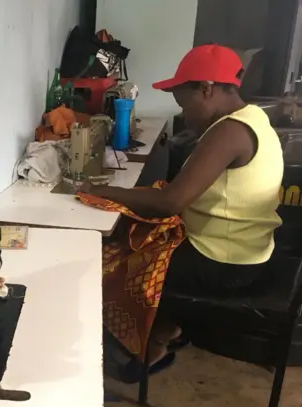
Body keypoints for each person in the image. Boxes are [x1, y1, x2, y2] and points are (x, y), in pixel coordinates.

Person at [89, 45, 284, 368]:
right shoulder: (252, 118)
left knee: (113, 258)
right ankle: (164, 330)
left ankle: (137, 349)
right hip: (246, 251)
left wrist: (101, 191)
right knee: (136, 233)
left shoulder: (230, 131)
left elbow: (171, 202)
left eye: (184, 103)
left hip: (224, 262)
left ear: (206, 89)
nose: (184, 114)